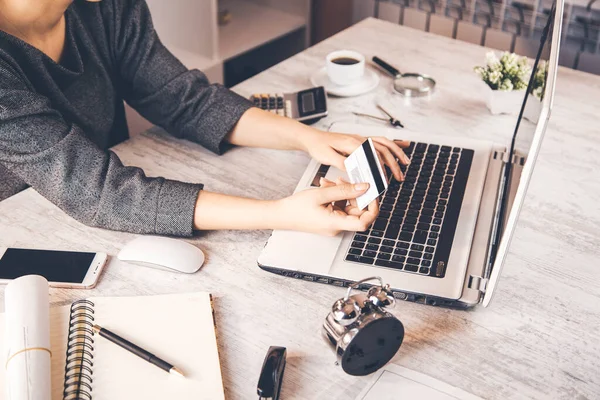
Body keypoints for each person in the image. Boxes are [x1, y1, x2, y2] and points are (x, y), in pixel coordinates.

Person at [0, 0, 409, 237]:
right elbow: (100, 192)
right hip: (24, 233)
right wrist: (278, 214)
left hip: (101, 219)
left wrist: (306, 138)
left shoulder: (105, 7)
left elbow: (184, 99)